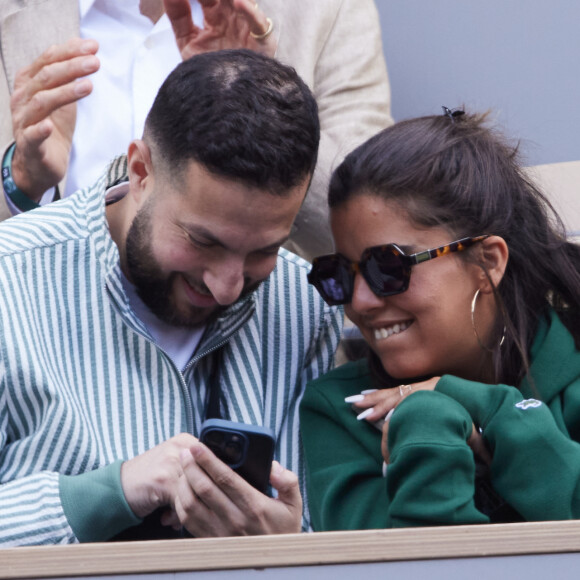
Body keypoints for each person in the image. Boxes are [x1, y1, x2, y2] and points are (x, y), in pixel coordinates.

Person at [0, 49, 343, 546]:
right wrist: (109, 493)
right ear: (140, 171)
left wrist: (290, 546)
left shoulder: (305, 308)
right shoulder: (12, 278)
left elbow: (332, 531)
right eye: (204, 241)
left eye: (263, 251)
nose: (227, 284)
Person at [300, 108, 580, 530]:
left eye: (388, 268)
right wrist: (426, 425)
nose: (360, 302)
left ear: (488, 262)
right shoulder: (341, 411)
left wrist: (492, 409)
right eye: (339, 275)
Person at [0, 0, 393, 260]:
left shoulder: (326, 10)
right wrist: (20, 184)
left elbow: (374, 232)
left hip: (255, 358)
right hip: (47, 345)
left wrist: (270, 100)